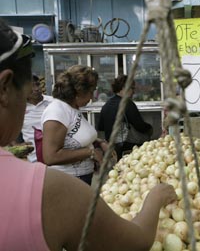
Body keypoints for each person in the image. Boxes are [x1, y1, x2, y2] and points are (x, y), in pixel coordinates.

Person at [0, 19, 177, 251]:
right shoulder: (50, 192)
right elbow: (135, 242)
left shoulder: (71, 111)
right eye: (24, 96)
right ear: (4, 87)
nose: (26, 107)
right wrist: (156, 197)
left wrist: (98, 142)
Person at [40, 65, 107, 185]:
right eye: (91, 92)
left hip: (81, 178)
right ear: (79, 91)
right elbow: (50, 156)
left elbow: (73, 137)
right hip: (67, 181)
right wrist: (90, 153)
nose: (92, 97)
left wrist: (98, 142)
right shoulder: (56, 111)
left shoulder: (72, 108)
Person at [97, 74, 153, 159]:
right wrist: (150, 128)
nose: (134, 91)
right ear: (124, 88)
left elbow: (101, 127)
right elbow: (140, 126)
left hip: (112, 149)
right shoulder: (127, 104)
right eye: (132, 88)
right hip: (128, 149)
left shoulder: (106, 105)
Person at [19, 74, 53, 162]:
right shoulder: (19, 107)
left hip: (56, 158)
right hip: (33, 160)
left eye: (37, 84)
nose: (36, 89)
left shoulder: (53, 102)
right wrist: (17, 146)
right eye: (32, 86)